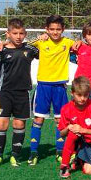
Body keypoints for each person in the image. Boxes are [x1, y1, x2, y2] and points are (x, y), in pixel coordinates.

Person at [0, 19, 39, 168]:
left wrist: (44, 39)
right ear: (8, 34)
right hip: (5, 93)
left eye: (21, 33)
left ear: (25, 34)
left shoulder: (31, 49)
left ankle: (15, 156)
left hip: (23, 93)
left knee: (19, 123)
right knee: (1, 123)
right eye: (15, 33)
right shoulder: (1, 50)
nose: (18, 36)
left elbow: (46, 54)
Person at [30, 15, 75, 164]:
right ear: (46, 29)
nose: (55, 32)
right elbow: (22, 46)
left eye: (58, 29)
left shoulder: (68, 42)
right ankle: (33, 152)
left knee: (60, 120)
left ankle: (60, 151)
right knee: (38, 119)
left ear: (63, 30)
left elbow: (80, 45)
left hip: (60, 87)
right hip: (43, 86)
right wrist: (3, 43)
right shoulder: (40, 42)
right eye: (52, 29)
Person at [58, 76, 91, 178]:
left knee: (89, 171)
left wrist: (83, 130)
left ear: (89, 94)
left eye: (85, 95)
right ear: (72, 93)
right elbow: (61, 133)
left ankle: (79, 159)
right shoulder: (66, 109)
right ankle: (64, 167)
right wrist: (68, 127)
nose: (82, 98)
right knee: (73, 133)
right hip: (75, 140)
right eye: (79, 95)